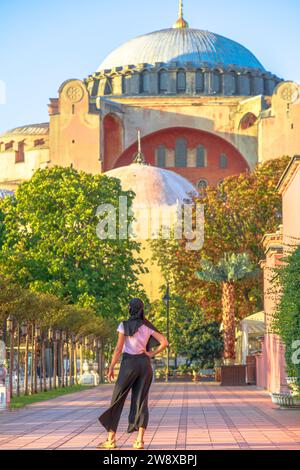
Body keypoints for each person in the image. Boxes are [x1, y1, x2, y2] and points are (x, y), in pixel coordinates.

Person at [98, 298, 168, 450]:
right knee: (141, 401)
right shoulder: (147, 325)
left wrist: (111, 367)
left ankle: (110, 440)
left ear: (130, 309)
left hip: (129, 364)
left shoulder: (124, 325)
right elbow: (164, 342)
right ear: (142, 309)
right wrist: (151, 353)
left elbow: (118, 349)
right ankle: (139, 442)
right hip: (144, 365)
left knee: (117, 399)